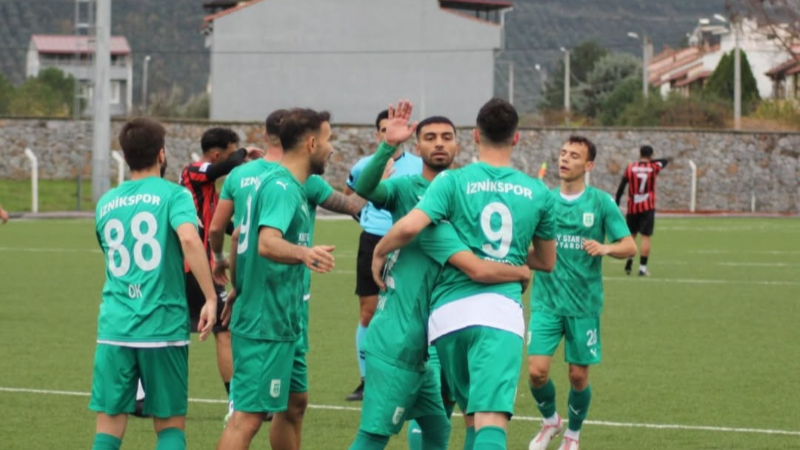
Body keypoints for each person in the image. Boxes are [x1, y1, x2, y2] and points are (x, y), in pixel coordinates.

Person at [371, 98, 557, 450]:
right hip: (498, 312)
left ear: (475, 135)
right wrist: (514, 261)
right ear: (517, 138)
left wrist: (380, 250)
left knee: (471, 417)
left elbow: (410, 225)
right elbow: (547, 261)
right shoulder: (538, 192)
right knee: (490, 421)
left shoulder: (451, 181)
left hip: (448, 317)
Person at [209, 109, 364, 435]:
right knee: (248, 418)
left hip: (285, 317)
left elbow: (237, 237)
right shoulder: (282, 187)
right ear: (311, 144)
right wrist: (304, 253)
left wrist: (239, 287)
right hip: (265, 320)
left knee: (295, 403)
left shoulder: (286, 182)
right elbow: (267, 243)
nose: (332, 148)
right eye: (328, 140)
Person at [90, 117, 218, 450]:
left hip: (115, 326)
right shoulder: (174, 195)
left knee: (108, 424)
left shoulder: (106, 203)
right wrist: (210, 297)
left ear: (125, 156)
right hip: (162, 325)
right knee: (170, 425)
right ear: (162, 154)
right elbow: (188, 238)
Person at [527, 136, 637, 450]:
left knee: (577, 376)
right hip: (546, 302)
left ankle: (573, 434)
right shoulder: (544, 200)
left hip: (583, 305)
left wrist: (606, 248)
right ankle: (551, 421)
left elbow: (629, 245)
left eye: (574, 155)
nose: (565, 159)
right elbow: (526, 242)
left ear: (588, 165)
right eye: (563, 153)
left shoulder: (601, 203)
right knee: (536, 372)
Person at [177, 127, 262, 405]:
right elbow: (226, 166)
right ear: (216, 154)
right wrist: (244, 153)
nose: (235, 161)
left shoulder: (206, 187)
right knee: (224, 331)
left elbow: (219, 225)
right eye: (230, 153)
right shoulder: (195, 171)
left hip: (193, 265)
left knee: (176, 329)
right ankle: (238, 402)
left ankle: (143, 391)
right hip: (195, 266)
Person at [343, 109, 423, 401]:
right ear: (378, 134)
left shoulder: (419, 165)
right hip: (373, 240)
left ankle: (410, 375)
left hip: (409, 243)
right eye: (385, 128)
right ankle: (367, 379)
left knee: (412, 311)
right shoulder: (364, 166)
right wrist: (367, 220)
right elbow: (350, 197)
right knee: (369, 313)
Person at [615, 145, 670, 276]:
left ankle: (629, 260)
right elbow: (664, 161)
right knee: (645, 237)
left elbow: (621, 187)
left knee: (631, 236)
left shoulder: (630, 168)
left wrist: (617, 202)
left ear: (639, 154)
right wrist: (651, 161)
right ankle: (642, 269)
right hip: (647, 207)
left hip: (632, 207)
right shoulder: (653, 167)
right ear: (651, 155)